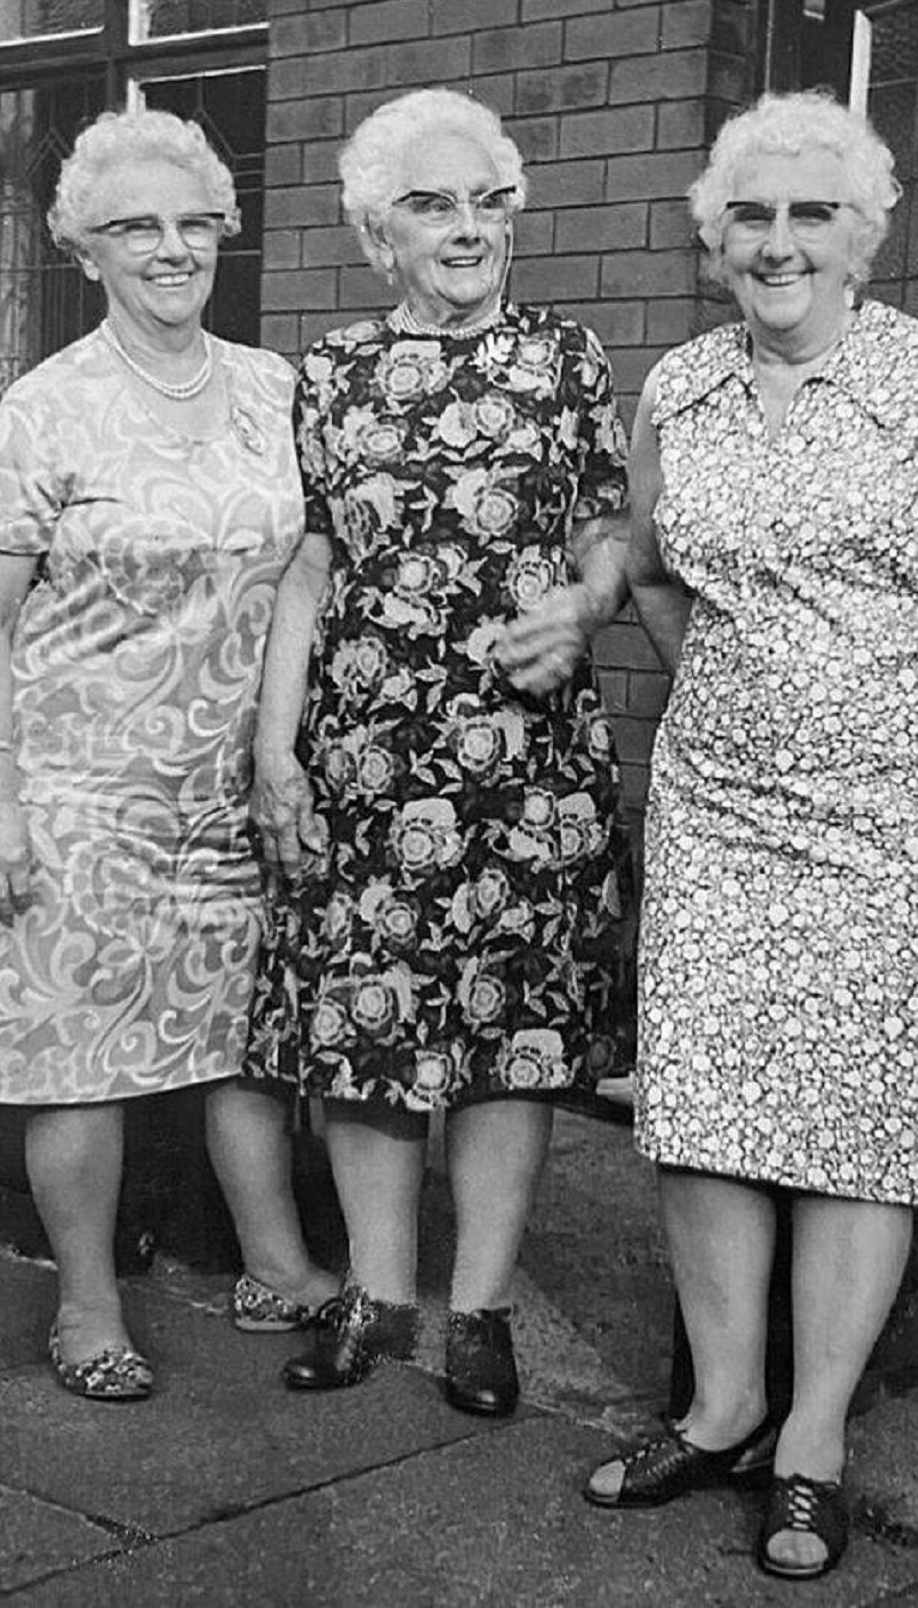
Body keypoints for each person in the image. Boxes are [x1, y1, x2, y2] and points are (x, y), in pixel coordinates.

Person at [582, 90, 918, 1581]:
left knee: (863, 1122)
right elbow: (652, 567)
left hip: (899, 811)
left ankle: (813, 1442)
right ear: (715, 237)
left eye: (810, 214)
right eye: (751, 216)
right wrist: (731, 675)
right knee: (705, 1103)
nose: (777, 243)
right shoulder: (681, 384)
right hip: (722, 796)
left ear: (864, 235)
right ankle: (720, 1404)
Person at [245, 87, 634, 1417]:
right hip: (361, 758)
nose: (467, 229)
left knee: (509, 1031)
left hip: (525, 760)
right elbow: (306, 565)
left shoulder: (568, 358)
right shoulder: (333, 371)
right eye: (431, 204)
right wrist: (275, 745)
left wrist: (585, 606)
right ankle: (375, 1291)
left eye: (488, 201)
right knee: (366, 1027)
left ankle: (478, 1308)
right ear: (376, 233)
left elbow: (609, 531)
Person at [0, 107, 337, 1402]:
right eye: (136, 227)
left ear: (224, 231)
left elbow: (307, 582)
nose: (171, 248)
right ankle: (89, 1304)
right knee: (81, 1052)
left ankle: (279, 1265)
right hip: (75, 792)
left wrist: (283, 752)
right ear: (85, 247)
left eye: (192, 222)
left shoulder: (278, 393)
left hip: (229, 782)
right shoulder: (49, 410)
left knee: (238, 1036)